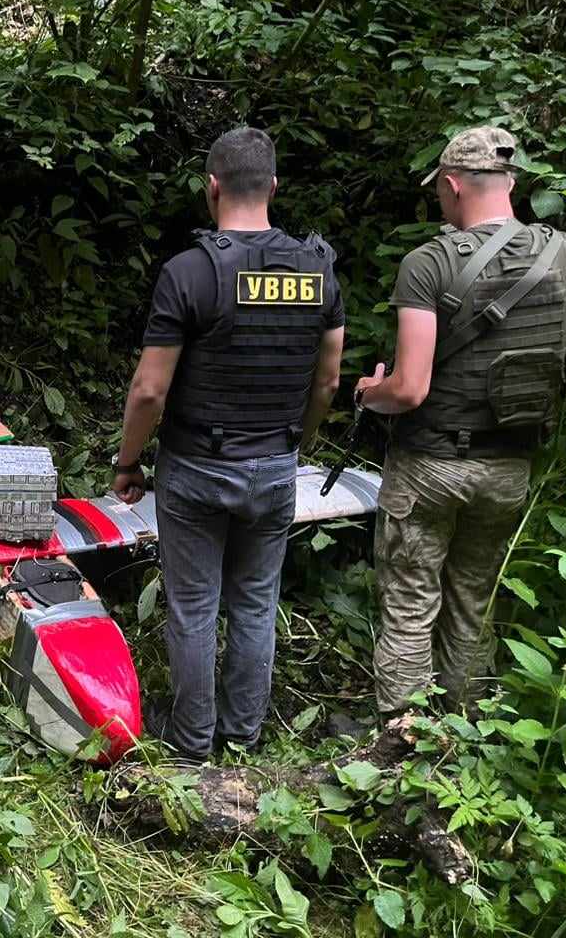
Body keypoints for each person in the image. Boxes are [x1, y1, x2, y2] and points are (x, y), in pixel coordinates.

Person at [110, 125, 345, 761]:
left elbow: (149, 391)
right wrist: (300, 440)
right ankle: (241, 738)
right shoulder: (318, 268)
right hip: (274, 465)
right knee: (255, 604)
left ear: (211, 188)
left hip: (196, 469)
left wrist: (129, 463)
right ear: (273, 186)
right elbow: (327, 378)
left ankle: (190, 744)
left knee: (193, 608)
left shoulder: (190, 272)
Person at [355, 125, 566, 717]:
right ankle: (468, 732)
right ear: (511, 182)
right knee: (472, 599)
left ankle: (404, 742)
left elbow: (410, 388)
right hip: (510, 467)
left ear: (451, 185)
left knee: (412, 602)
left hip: (430, 466)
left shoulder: (428, 263)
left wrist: (369, 393)